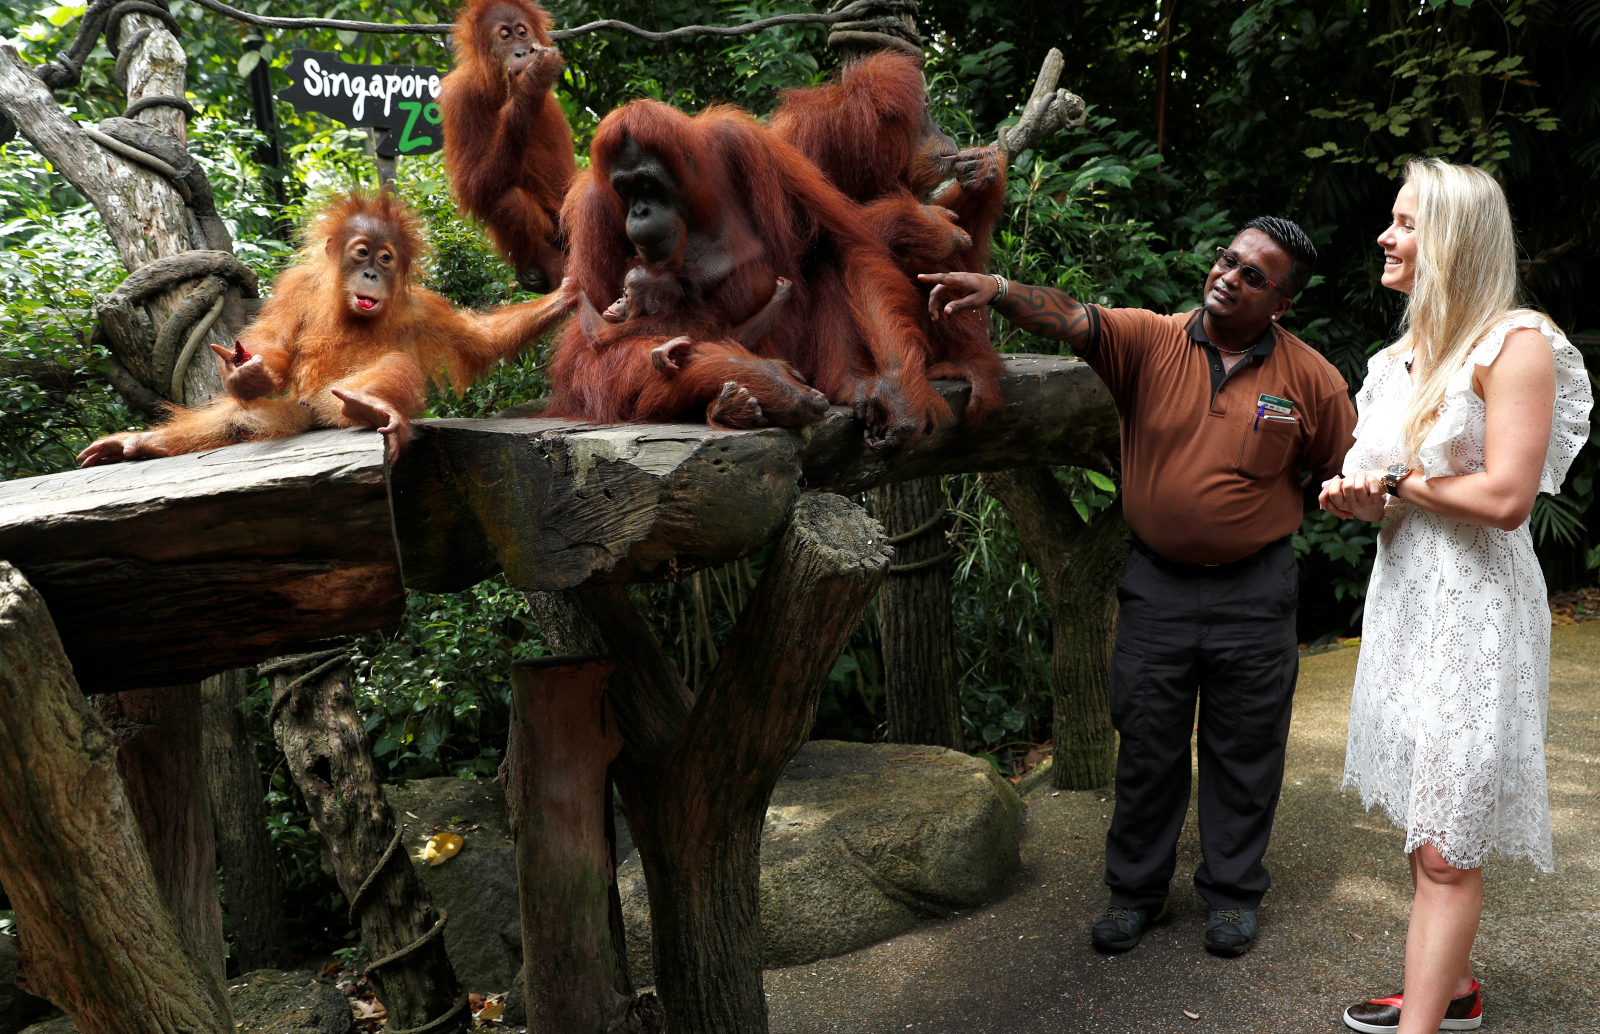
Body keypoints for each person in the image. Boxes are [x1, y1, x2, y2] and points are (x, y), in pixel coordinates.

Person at [921, 217, 1357, 957]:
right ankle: (1137, 893)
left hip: (1256, 593)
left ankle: (1231, 896)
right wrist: (996, 290)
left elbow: (1336, 467)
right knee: (1149, 744)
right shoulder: (1150, 341)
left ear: (1281, 303)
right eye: (1229, 259)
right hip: (1157, 588)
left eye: (1254, 276)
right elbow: (1073, 319)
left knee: (1246, 750)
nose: (1229, 276)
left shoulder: (1310, 378)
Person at [1321, 159, 1591, 1034]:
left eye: (1403, 222)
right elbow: (1384, 486)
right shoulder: (1396, 360)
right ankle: (1456, 987)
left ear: (1450, 239)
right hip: (1405, 600)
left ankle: (1422, 1028)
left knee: (1446, 847)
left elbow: (1508, 500)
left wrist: (1398, 481)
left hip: (1476, 612)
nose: (1385, 236)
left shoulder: (1516, 345)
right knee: (1421, 812)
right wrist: (1363, 496)